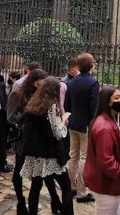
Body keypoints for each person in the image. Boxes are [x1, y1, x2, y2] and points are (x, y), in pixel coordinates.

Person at [7, 69, 62, 215]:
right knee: (17, 175)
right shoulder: (17, 95)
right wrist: (28, 115)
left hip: (38, 142)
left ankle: (55, 201)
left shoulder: (42, 95)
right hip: (22, 140)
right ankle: (21, 203)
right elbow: (10, 118)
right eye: (41, 81)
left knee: (45, 174)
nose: (43, 84)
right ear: (34, 80)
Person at [20, 77, 73, 215]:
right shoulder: (51, 107)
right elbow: (58, 133)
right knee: (66, 187)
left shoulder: (33, 103)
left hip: (35, 153)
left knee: (35, 187)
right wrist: (64, 122)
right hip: (50, 153)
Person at [83, 86, 120, 215]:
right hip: (106, 182)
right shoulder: (105, 127)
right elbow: (106, 160)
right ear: (107, 101)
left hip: (109, 181)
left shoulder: (109, 120)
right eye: (117, 98)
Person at [65, 53, 99, 203]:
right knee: (84, 158)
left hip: (73, 123)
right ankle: (82, 192)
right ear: (91, 65)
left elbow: (67, 104)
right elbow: (94, 107)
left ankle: (71, 187)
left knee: (73, 156)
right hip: (86, 125)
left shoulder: (72, 81)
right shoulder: (93, 83)